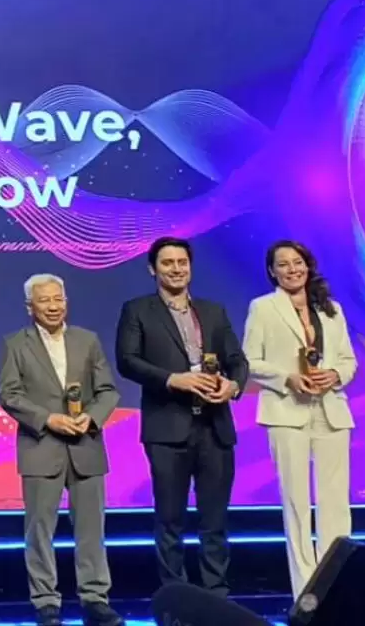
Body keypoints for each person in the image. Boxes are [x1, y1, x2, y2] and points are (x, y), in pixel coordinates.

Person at [114, 236, 248, 598]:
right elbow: (127, 360)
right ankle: (176, 595)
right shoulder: (137, 310)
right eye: (167, 263)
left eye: (182, 262)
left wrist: (233, 386)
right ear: (152, 269)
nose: (176, 269)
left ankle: (216, 594)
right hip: (167, 428)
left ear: (190, 267)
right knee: (170, 520)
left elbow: (237, 360)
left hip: (215, 427)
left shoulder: (213, 311)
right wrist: (174, 379)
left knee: (215, 521)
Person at [0, 274, 123, 626]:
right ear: (30, 307)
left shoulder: (88, 340)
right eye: (44, 300)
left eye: (58, 299)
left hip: (86, 445)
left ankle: (95, 599)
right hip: (41, 446)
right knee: (39, 530)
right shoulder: (15, 344)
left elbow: (108, 390)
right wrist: (48, 419)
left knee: (91, 529)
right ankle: (45, 601)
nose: (53, 306)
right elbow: (9, 394)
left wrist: (92, 418)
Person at [242, 240, 358, 598]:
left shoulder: (331, 309)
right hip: (286, 411)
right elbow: (250, 360)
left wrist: (334, 375)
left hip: (331, 411)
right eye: (283, 264)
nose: (292, 269)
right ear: (272, 271)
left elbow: (348, 361)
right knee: (296, 504)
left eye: (298, 262)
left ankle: (337, 588)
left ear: (308, 265)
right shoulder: (263, 308)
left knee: (336, 504)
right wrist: (287, 378)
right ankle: (307, 594)